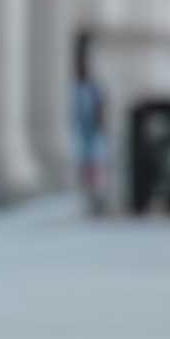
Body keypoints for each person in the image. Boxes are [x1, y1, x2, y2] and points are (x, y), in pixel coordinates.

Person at [72, 30, 108, 215]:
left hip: (92, 131)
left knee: (95, 164)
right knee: (84, 164)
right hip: (81, 130)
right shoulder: (75, 87)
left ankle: (96, 197)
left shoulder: (92, 87)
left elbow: (101, 107)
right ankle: (89, 196)